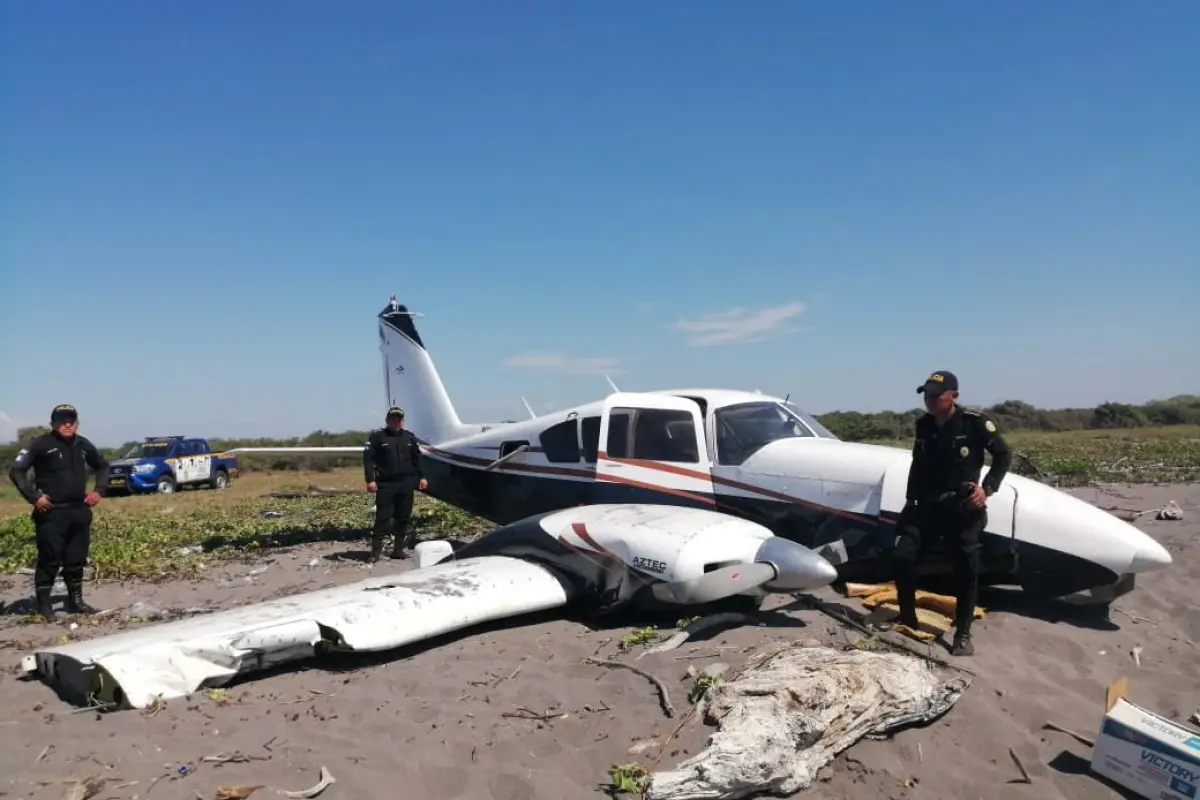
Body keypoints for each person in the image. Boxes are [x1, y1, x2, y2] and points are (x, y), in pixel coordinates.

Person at [892, 371, 1012, 656]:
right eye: (926, 395)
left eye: (936, 395)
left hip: (962, 509)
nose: (929, 401)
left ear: (953, 396)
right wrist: (910, 502)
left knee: (966, 571)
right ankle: (907, 616)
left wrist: (987, 489)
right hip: (928, 506)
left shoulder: (975, 423)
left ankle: (963, 632)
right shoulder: (924, 426)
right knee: (902, 557)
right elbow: (917, 465)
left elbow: (1003, 455)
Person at [7, 404, 109, 620]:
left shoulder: (82, 444)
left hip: (79, 511)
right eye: (62, 420)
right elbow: (17, 470)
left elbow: (102, 466)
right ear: (53, 423)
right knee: (50, 560)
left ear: (77, 423)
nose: (67, 424)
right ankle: (45, 606)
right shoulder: (40, 444)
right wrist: (34, 497)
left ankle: (76, 601)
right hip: (51, 512)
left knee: (76, 559)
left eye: (71, 420)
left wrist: (99, 490)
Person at [363, 406, 427, 562]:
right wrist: (370, 480)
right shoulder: (378, 437)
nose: (396, 422)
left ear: (403, 421)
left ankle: (398, 550)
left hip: (406, 483)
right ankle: (375, 553)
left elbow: (417, 459)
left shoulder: (410, 438)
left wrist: (422, 477)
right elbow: (368, 460)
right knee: (383, 518)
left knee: (403, 518)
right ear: (387, 420)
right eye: (393, 419)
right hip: (386, 484)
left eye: (399, 419)